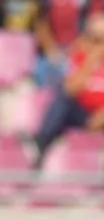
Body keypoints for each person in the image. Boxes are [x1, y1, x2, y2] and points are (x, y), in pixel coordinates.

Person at [35, 13, 104, 162]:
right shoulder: (81, 57)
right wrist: (91, 62)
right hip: (84, 113)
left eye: (100, 40)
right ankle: (41, 146)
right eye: (93, 38)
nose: (97, 44)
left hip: (101, 115)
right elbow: (71, 89)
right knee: (62, 98)